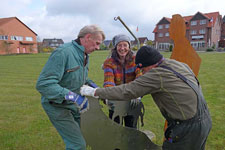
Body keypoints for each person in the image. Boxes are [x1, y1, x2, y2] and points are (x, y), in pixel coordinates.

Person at [80, 46, 212, 150]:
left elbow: (127, 91)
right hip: (205, 120)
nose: (143, 73)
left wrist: (96, 92)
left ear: (148, 65)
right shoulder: (178, 64)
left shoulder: (156, 74)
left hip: (186, 128)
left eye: (143, 70)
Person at [36, 24, 105, 150]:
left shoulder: (84, 55)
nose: (98, 48)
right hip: (57, 106)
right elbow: (44, 84)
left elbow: (80, 79)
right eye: (96, 43)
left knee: (86, 135)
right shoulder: (63, 53)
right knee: (77, 144)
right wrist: (74, 97)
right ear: (87, 37)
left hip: (73, 105)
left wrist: (97, 89)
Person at [103, 34, 143, 128]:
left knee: (132, 130)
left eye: (125, 45)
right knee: (115, 129)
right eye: (119, 45)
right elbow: (109, 81)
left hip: (132, 99)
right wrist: (110, 95)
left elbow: (140, 78)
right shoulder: (109, 62)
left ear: (129, 47)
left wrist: (137, 94)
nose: (122, 48)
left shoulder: (136, 60)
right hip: (116, 100)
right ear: (115, 47)